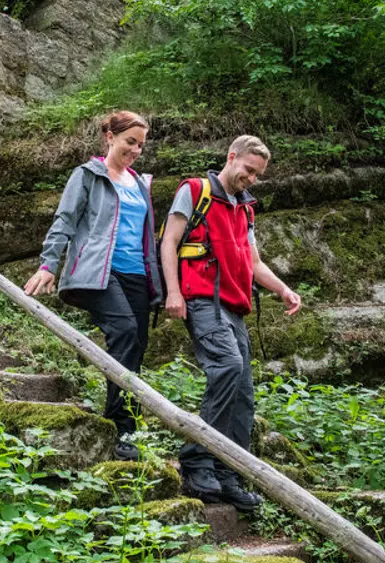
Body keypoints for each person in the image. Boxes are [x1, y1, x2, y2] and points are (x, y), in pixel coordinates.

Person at [159, 135, 302, 511]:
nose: (251, 178)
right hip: (201, 299)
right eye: (248, 169)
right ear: (231, 157)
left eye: (258, 175)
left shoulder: (246, 210)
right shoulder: (195, 191)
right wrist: (173, 293)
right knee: (227, 366)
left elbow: (254, 264)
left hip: (234, 307)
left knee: (242, 394)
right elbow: (169, 242)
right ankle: (195, 461)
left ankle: (229, 473)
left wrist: (284, 289)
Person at [23, 111, 161, 462]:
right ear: (109, 137)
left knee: (135, 347)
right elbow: (65, 220)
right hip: (99, 270)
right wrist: (48, 264)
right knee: (125, 330)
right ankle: (117, 425)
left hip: (138, 276)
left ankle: (127, 430)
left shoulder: (141, 184)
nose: (135, 150)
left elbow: (148, 238)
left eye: (141, 145)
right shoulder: (87, 175)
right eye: (130, 141)